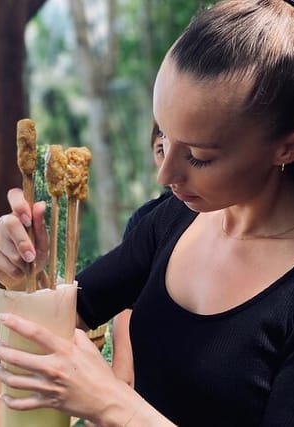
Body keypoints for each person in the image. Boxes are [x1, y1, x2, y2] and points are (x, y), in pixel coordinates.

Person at [0, 0, 294, 425]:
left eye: (199, 156)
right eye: (163, 140)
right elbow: (74, 311)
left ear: (290, 146)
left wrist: (113, 405)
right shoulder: (170, 221)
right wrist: (27, 273)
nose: (166, 174)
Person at [112, 120, 171, 387]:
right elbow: (125, 301)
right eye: (161, 149)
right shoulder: (147, 219)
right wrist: (121, 378)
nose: (168, 169)